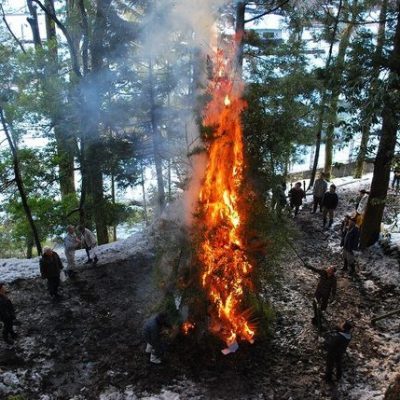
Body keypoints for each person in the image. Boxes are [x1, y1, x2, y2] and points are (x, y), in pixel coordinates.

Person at [311, 266, 337, 330]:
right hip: (319, 291)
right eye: (329, 268)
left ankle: (320, 314)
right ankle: (316, 316)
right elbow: (315, 269)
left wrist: (333, 296)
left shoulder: (333, 279)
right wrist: (308, 266)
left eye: (330, 269)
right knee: (315, 303)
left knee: (323, 306)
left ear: (332, 272)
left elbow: (334, 288)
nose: (328, 269)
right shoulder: (323, 272)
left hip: (326, 293)